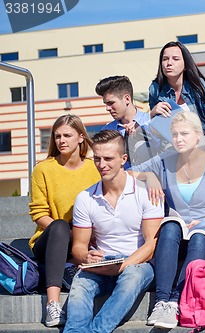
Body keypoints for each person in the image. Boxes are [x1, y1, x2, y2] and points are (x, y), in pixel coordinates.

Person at [129, 111, 205, 329]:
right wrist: (149, 176)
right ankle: (161, 302)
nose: (179, 139)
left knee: (198, 237)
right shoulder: (164, 162)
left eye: (184, 133)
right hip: (178, 233)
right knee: (169, 226)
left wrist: (204, 222)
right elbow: (126, 174)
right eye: (175, 134)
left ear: (198, 136)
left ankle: (176, 300)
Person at [63, 130, 163, 333]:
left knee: (132, 276)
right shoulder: (85, 198)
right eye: (97, 159)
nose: (102, 165)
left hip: (137, 262)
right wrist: (87, 256)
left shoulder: (146, 191)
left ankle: (98, 331)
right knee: (80, 285)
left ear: (123, 159)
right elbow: (79, 247)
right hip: (103, 262)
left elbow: (151, 244)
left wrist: (123, 265)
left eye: (108, 158)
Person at [28, 114, 100, 327]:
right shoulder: (43, 169)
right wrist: (71, 236)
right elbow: (39, 214)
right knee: (59, 226)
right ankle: (53, 305)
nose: (61, 141)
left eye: (67, 135)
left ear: (81, 137)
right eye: (57, 136)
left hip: (85, 239)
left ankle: (72, 263)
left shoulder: (94, 168)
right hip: (50, 240)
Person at [149, 41, 205, 153]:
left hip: (202, 141)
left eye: (175, 59)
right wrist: (152, 114)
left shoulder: (200, 87)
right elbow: (157, 132)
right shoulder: (155, 89)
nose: (169, 63)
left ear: (185, 64)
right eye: (165, 59)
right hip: (173, 145)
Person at [97, 75, 162, 169]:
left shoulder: (152, 122)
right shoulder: (107, 131)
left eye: (111, 103)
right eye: (106, 104)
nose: (107, 108)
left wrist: (143, 133)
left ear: (127, 99)